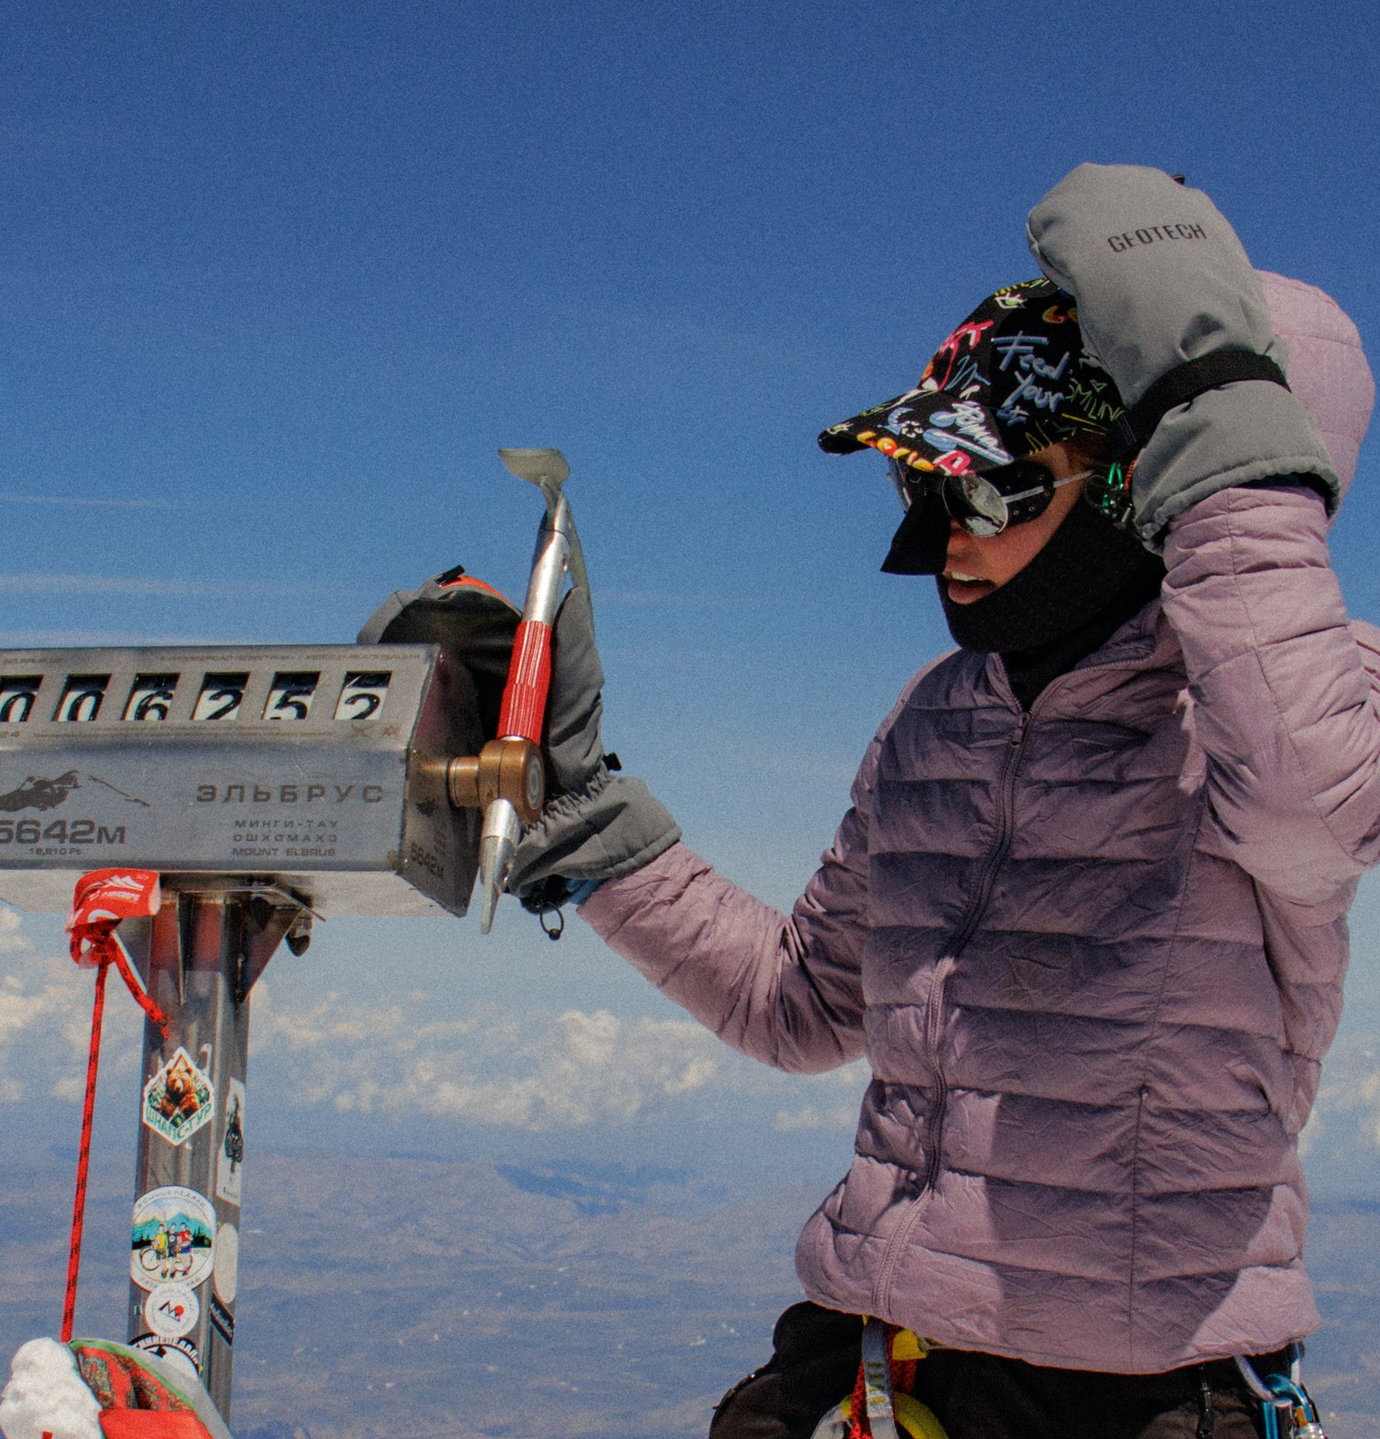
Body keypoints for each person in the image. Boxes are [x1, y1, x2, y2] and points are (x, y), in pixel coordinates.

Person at [501, 164, 1378, 1438]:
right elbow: (803, 998)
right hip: (882, 1356)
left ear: (1143, 486)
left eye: (989, 487)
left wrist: (1213, 401)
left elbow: (1308, 803)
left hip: (1130, 1401)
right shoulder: (942, 714)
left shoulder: (1294, 711)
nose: (942, 540)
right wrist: (576, 810)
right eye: (924, 486)